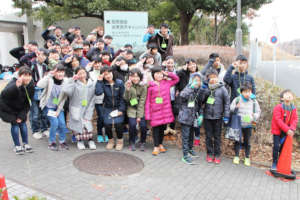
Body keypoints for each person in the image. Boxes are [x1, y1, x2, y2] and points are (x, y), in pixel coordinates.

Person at [145, 66, 179, 156]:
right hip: (155, 112)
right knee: (156, 129)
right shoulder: (151, 86)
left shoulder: (167, 83)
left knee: (162, 129)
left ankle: (160, 144)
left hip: (165, 112)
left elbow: (176, 79)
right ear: (153, 75)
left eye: (160, 73)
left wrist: (168, 74)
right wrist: (148, 115)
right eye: (157, 73)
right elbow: (148, 101)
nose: (159, 75)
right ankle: (156, 146)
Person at [60, 67, 97, 150]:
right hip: (76, 108)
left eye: (83, 73)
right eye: (79, 73)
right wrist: (71, 80)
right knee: (78, 126)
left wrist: (90, 110)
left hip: (88, 108)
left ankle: (90, 140)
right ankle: (79, 141)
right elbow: (65, 91)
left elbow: (92, 98)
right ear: (76, 74)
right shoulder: (74, 84)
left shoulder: (91, 84)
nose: (82, 75)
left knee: (87, 125)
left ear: (86, 73)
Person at [0, 67, 35, 154]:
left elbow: (28, 101)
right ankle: (17, 146)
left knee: (23, 123)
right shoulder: (13, 83)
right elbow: (4, 94)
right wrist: (16, 86)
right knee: (15, 124)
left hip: (21, 109)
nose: (27, 77)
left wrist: (21, 115)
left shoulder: (30, 85)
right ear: (19, 76)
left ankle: (26, 144)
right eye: (25, 75)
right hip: (8, 109)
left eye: (29, 75)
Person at [37, 64, 69, 151]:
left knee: (62, 124)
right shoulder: (49, 79)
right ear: (54, 72)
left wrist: (58, 110)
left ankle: (62, 141)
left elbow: (64, 98)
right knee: (54, 123)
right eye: (58, 72)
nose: (60, 74)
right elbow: (39, 85)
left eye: (62, 72)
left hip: (58, 106)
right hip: (48, 106)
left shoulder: (65, 81)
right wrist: (49, 75)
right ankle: (52, 142)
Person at [230, 83, 261, 166]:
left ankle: (247, 157)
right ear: (241, 92)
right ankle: (236, 156)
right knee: (237, 140)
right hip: (239, 124)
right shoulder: (237, 99)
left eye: (249, 92)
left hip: (249, 125)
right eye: (245, 92)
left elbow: (258, 111)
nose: (247, 94)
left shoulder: (254, 101)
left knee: (247, 141)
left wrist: (254, 116)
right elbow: (231, 108)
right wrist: (236, 107)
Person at [203, 69, 230, 164]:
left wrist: (226, 115)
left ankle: (217, 154)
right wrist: (207, 91)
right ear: (208, 79)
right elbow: (202, 101)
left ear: (218, 78)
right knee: (209, 137)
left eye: (215, 77)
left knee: (217, 137)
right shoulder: (206, 89)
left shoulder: (223, 89)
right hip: (207, 117)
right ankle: (210, 153)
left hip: (218, 117)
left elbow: (227, 103)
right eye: (211, 78)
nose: (213, 79)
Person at [178, 73, 206, 164]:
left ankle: (190, 149)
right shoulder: (188, 88)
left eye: (199, 80)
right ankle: (185, 155)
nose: (197, 82)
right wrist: (191, 87)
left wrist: (201, 115)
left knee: (191, 135)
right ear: (191, 80)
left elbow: (200, 105)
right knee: (185, 137)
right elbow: (182, 96)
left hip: (193, 117)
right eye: (195, 80)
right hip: (185, 116)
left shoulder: (200, 91)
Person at [95, 66, 126, 151]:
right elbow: (98, 92)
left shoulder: (119, 83)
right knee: (107, 124)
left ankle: (120, 141)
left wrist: (121, 110)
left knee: (118, 124)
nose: (108, 76)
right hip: (107, 107)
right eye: (105, 74)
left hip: (118, 107)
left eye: (109, 73)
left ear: (112, 72)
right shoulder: (103, 83)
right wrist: (99, 81)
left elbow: (123, 98)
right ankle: (111, 141)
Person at [270, 89, 298, 170]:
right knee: (276, 147)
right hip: (278, 131)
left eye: (290, 94)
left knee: (283, 148)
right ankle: (274, 162)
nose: (289, 95)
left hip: (287, 132)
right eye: (286, 94)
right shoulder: (278, 107)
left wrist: (292, 129)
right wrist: (287, 130)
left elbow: (295, 119)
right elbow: (278, 120)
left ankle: (280, 162)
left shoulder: (293, 108)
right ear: (282, 98)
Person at [124, 68, 148, 151]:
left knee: (143, 126)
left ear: (140, 77)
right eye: (133, 76)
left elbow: (142, 101)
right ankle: (132, 141)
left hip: (141, 109)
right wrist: (127, 89)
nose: (135, 78)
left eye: (137, 76)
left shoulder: (143, 86)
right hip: (131, 108)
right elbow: (127, 99)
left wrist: (139, 116)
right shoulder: (127, 85)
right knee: (132, 125)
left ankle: (143, 142)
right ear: (130, 77)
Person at [29, 49, 50, 140]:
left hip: (43, 91)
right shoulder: (31, 64)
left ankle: (44, 128)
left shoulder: (46, 66)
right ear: (37, 54)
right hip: (34, 91)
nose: (43, 57)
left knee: (44, 112)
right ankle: (36, 130)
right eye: (41, 55)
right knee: (35, 113)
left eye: (45, 56)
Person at [89, 57, 108, 143]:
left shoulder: (105, 73)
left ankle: (107, 133)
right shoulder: (90, 74)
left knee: (106, 117)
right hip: (96, 99)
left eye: (99, 63)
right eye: (95, 63)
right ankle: (100, 134)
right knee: (101, 116)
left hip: (107, 99)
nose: (97, 65)